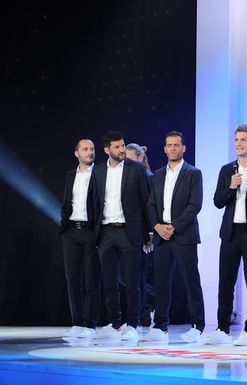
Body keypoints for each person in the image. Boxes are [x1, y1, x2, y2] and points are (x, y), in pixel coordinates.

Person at [207, 124, 247, 346]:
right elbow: (217, 201)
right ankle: (222, 328)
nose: (239, 143)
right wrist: (230, 187)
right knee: (226, 282)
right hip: (230, 233)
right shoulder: (227, 170)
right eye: (236, 140)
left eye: (243, 140)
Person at [142, 131, 205, 343]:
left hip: (183, 234)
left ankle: (197, 325)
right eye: (169, 145)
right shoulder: (158, 175)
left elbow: (195, 205)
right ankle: (160, 325)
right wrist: (157, 226)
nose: (172, 149)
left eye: (176, 145)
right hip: (161, 236)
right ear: (164, 148)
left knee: (190, 281)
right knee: (161, 283)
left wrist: (174, 226)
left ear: (184, 148)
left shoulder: (193, 173)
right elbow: (150, 204)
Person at [92, 131, 149, 341]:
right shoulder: (97, 172)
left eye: (123, 145)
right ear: (107, 150)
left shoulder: (137, 170)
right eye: (116, 147)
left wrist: (148, 233)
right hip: (106, 232)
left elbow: (146, 202)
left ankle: (133, 324)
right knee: (109, 282)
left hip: (129, 231)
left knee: (133, 282)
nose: (122, 150)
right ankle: (115, 323)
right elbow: (95, 203)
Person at [59, 139, 101, 339]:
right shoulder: (69, 176)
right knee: (73, 278)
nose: (90, 152)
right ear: (77, 153)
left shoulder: (100, 174)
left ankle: (89, 323)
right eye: (85, 149)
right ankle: (77, 322)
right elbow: (67, 202)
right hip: (71, 231)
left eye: (92, 149)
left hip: (91, 231)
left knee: (92, 278)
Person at [125, 142, 155, 328]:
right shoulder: (125, 177)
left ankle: (146, 310)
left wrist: (149, 234)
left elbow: (149, 208)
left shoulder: (149, 178)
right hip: (125, 233)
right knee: (128, 276)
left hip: (143, 234)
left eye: (130, 159)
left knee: (138, 277)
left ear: (140, 158)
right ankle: (146, 307)